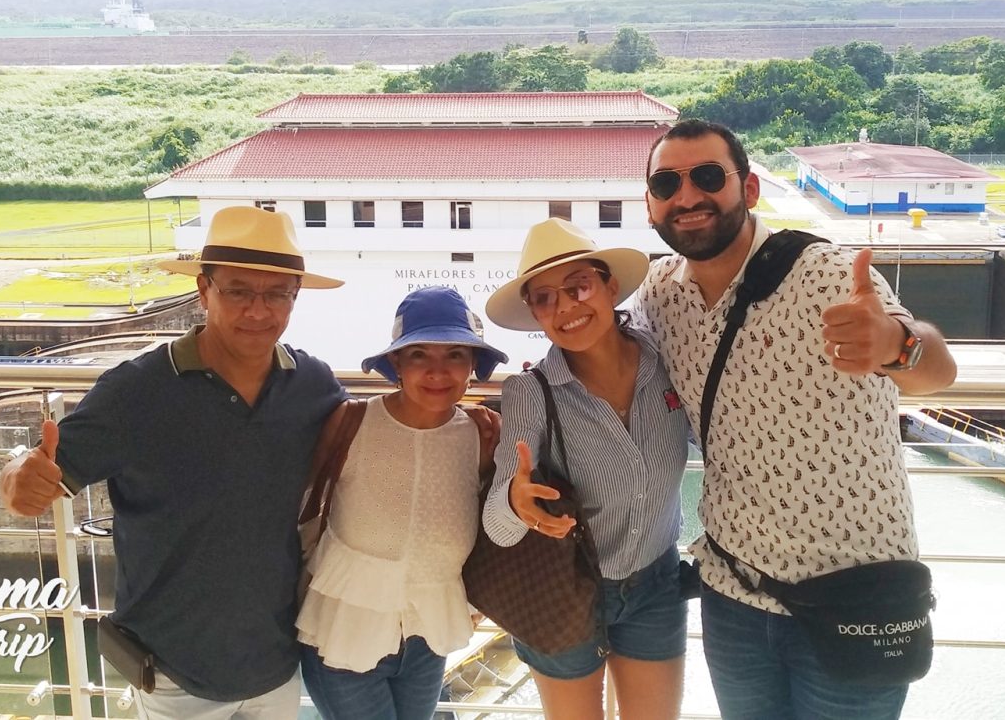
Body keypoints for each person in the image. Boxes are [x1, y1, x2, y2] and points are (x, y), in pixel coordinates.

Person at [631, 120, 957, 720]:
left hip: (856, 591)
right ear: (649, 202)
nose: (687, 197)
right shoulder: (658, 295)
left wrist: (894, 344)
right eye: (665, 183)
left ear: (749, 190)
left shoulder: (827, 275)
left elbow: (937, 371)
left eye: (708, 177)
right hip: (734, 591)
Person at [0, 206, 347, 720]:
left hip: (275, 662)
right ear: (204, 291)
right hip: (173, 672)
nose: (258, 310)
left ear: (295, 298)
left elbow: (368, 446)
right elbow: (33, 475)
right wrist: (17, 480)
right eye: (238, 291)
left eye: (276, 294)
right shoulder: (136, 391)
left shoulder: (312, 386)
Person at [483, 219, 692, 720]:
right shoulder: (531, 394)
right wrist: (516, 501)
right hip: (565, 589)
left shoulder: (667, 359)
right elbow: (496, 524)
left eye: (579, 285)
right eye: (544, 298)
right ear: (534, 313)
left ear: (609, 286)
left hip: (656, 583)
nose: (566, 308)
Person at [296, 286, 507, 720]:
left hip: (427, 636)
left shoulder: (480, 432)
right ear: (396, 362)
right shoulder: (352, 421)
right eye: (419, 356)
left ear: (472, 366)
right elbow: (301, 501)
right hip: (346, 633)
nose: (437, 371)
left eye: (454, 356)